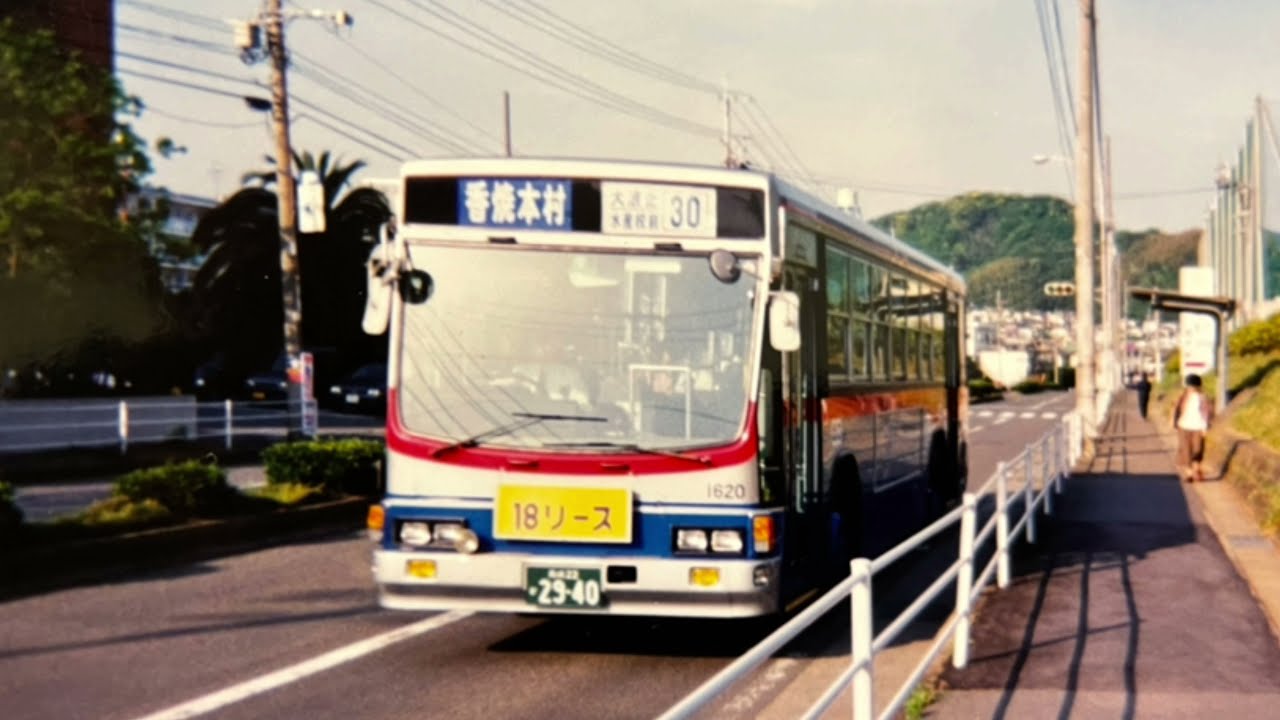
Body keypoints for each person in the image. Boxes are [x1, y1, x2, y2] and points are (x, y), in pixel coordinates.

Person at [1172, 374, 1214, 483]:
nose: (1191, 388)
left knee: (1198, 449)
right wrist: (1175, 423)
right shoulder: (1183, 397)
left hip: (1198, 426)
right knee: (1186, 450)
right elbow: (1176, 409)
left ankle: (1197, 470)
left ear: (1198, 386)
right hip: (1184, 426)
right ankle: (1189, 474)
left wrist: (1205, 427)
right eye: (1189, 386)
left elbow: (1207, 414)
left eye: (1192, 386)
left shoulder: (1203, 398)